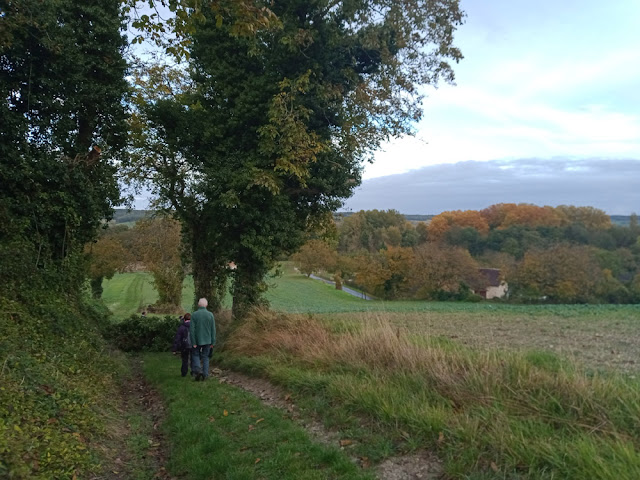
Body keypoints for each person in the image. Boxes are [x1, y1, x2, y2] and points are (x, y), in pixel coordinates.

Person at [190, 298, 216, 381]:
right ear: (206, 305)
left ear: (198, 305)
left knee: (195, 355)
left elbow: (192, 330)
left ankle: (198, 370)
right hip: (208, 340)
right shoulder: (210, 315)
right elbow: (213, 329)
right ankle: (205, 374)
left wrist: (193, 341)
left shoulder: (194, 315)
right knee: (205, 357)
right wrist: (213, 341)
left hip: (197, 339)